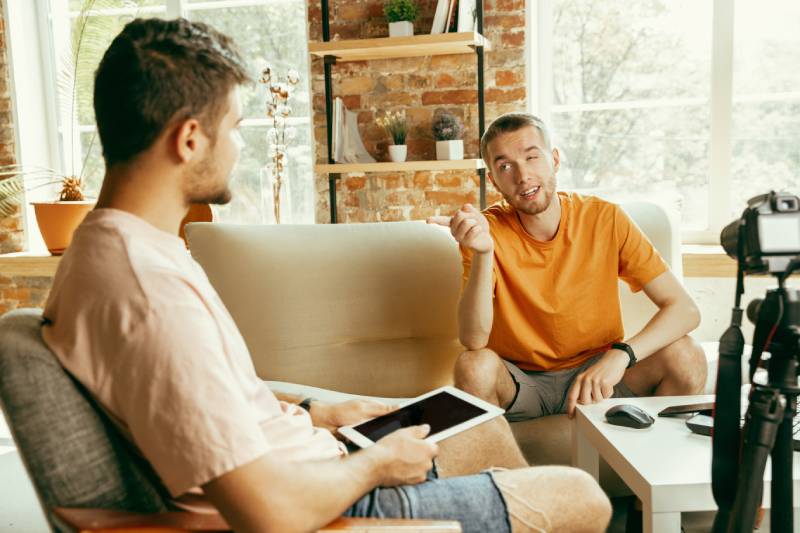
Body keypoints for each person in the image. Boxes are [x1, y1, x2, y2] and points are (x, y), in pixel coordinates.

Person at [41, 20, 611, 533]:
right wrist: (377, 464)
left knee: (479, 426)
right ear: (189, 140)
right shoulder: (148, 292)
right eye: (234, 127)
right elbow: (268, 513)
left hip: (314, 458)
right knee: (579, 496)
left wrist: (318, 410)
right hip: (325, 500)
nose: (239, 147)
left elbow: (203, 390)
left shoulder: (123, 249)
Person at [428, 113, 707, 420]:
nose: (522, 175)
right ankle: (508, 452)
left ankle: (635, 454)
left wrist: (622, 356)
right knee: (472, 365)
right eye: (505, 166)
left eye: (532, 157)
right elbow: (474, 340)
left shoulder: (606, 219)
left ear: (555, 160)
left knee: (688, 356)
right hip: (522, 383)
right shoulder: (485, 232)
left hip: (598, 376)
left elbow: (685, 310)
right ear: (494, 180)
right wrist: (483, 252)